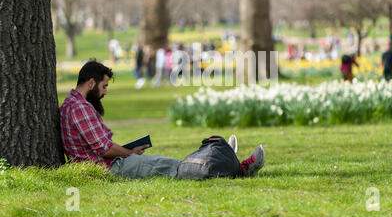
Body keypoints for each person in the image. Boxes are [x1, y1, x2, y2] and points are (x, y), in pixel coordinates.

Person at [59, 61, 265, 179]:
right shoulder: (80, 108)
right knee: (175, 168)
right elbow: (104, 148)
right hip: (109, 168)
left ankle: (224, 157)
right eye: (103, 86)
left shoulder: (71, 104)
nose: (104, 92)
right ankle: (240, 168)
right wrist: (129, 152)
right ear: (91, 82)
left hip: (109, 163)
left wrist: (128, 152)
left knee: (171, 164)